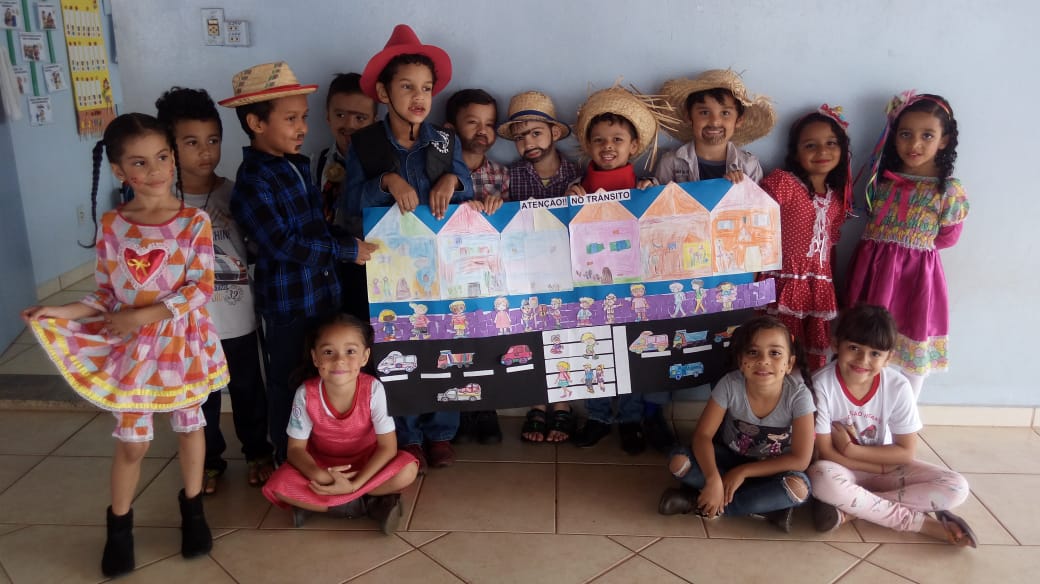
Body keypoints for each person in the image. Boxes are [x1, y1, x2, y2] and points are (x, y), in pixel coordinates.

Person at [21, 113, 227, 577]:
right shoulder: (114, 224)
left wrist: (141, 316)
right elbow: (105, 294)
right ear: (119, 171)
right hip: (134, 352)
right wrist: (61, 311)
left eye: (162, 157)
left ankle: (193, 512)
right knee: (133, 443)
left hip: (180, 345)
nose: (155, 170)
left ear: (172, 158)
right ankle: (119, 527)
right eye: (139, 162)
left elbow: (200, 288)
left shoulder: (193, 221)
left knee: (190, 426)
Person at [220, 61, 378, 465]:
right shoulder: (253, 182)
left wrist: (348, 243)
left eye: (304, 117)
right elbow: (282, 244)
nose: (302, 128)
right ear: (256, 123)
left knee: (322, 378)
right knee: (288, 382)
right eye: (290, 119)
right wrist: (345, 251)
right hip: (289, 308)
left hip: (323, 297)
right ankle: (285, 457)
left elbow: (315, 229)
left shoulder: (296, 165)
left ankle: (322, 450)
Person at [343, 24, 475, 472]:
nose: (419, 97)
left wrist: (452, 177)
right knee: (397, 348)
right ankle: (408, 435)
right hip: (389, 268)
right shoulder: (364, 144)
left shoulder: (444, 140)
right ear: (383, 92)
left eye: (426, 88)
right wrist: (386, 180)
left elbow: (468, 187)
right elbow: (349, 205)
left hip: (441, 265)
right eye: (406, 87)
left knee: (444, 339)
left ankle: (441, 431)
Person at [155, 87, 275, 494]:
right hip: (189, 324)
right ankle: (208, 461)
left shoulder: (234, 192)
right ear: (170, 147)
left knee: (247, 388)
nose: (205, 152)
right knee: (201, 395)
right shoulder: (163, 202)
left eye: (213, 140)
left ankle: (258, 452)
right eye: (191, 142)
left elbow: (255, 246)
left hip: (237, 316)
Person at [563, 85, 676, 455]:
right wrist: (569, 200)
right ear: (588, 146)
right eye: (598, 140)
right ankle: (597, 416)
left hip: (633, 289)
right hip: (590, 290)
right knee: (592, 350)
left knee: (630, 352)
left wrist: (650, 193)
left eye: (617, 139)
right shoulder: (576, 189)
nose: (607, 146)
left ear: (633, 146)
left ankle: (629, 418)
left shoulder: (644, 187)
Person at [807, 305, 976, 546]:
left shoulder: (897, 386)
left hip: (884, 465)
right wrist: (879, 466)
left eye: (875, 353)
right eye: (854, 348)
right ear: (836, 344)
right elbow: (825, 452)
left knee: (957, 488)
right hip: (843, 468)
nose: (863, 360)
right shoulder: (821, 385)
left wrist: (851, 450)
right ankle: (918, 523)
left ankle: (855, 510)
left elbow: (905, 452)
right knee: (821, 478)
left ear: (888, 358)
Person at [846, 92, 967, 400]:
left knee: (912, 348)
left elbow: (948, 237)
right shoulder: (881, 181)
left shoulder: (947, 190)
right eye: (905, 134)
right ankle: (866, 406)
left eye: (927, 135)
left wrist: (910, 249)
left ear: (944, 140)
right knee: (869, 341)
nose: (915, 144)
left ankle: (905, 413)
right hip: (874, 273)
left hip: (916, 279)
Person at [262, 314, 419, 534]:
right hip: (323, 467)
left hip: (368, 465)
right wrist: (321, 476)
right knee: (278, 485)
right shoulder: (305, 394)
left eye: (350, 351)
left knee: (408, 470)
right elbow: (295, 450)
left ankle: (333, 504)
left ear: (365, 357)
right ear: (315, 358)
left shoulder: (373, 389)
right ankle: (368, 504)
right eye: (328, 352)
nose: (339, 360)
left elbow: (387, 447)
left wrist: (355, 484)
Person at [657, 316, 815, 532]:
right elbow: (702, 436)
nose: (763, 360)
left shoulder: (798, 396)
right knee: (678, 462)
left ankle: (697, 502)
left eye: (775, 353)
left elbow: (800, 460)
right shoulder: (730, 384)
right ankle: (761, 507)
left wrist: (742, 472)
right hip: (729, 459)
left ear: (789, 364)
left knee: (798, 489)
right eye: (753, 352)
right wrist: (713, 478)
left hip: (771, 470)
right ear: (741, 361)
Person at [496, 90, 580, 443]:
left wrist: (582, 198)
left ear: (554, 133)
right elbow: (500, 219)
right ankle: (537, 403)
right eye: (519, 137)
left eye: (535, 133)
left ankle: (562, 404)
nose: (527, 142)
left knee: (565, 335)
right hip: (526, 273)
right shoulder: (511, 177)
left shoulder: (577, 174)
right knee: (531, 334)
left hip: (568, 271)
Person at [759, 104, 853, 371]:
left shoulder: (837, 198)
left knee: (809, 357)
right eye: (810, 145)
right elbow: (753, 222)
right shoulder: (784, 184)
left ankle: (804, 394)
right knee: (777, 347)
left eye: (831, 143)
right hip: (784, 282)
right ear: (795, 152)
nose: (822, 151)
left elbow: (831, 245)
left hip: (818, 286)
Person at [443, 87, 508, 445]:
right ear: (451, 129)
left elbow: (510, 227)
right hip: (448, 274)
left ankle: (485, 409)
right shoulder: (436, 172)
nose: (483, 131)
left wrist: (498, 208)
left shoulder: (500, 175)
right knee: (450, 341)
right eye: (473, 122)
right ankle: (453, 414)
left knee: (486, 339)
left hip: (486, 276)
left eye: (490, 124)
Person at [314, 73, 378, 322]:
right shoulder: (315, 163)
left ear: (374, 121)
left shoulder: (385, 167)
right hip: (326, 269)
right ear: (327, 116)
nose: (349, 124)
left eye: (360, 118)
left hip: (372, 270)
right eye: (340, 114)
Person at [655, 69, 775, 185]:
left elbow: (758, 199)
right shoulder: (671, 163)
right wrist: (649, 186)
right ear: (689, 117)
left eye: (725, 113)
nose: (715, 122)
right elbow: (658, 197)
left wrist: (742, 187)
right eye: (704, 112)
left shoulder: (749, 166)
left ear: (739, 120)